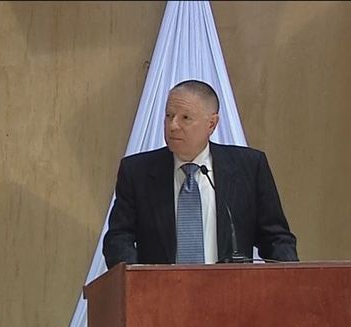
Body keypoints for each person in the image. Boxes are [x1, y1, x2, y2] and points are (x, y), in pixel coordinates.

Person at [103, 79, 298, 268]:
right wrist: (135, 281)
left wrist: (292, 281)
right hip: (161, 295)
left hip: (231, 294)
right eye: (169, 115)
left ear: (211, 124)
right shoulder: (137, 171)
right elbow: (118, 239)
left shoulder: (249, 167)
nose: (173, 126)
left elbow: (276, 238)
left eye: (185, 118)